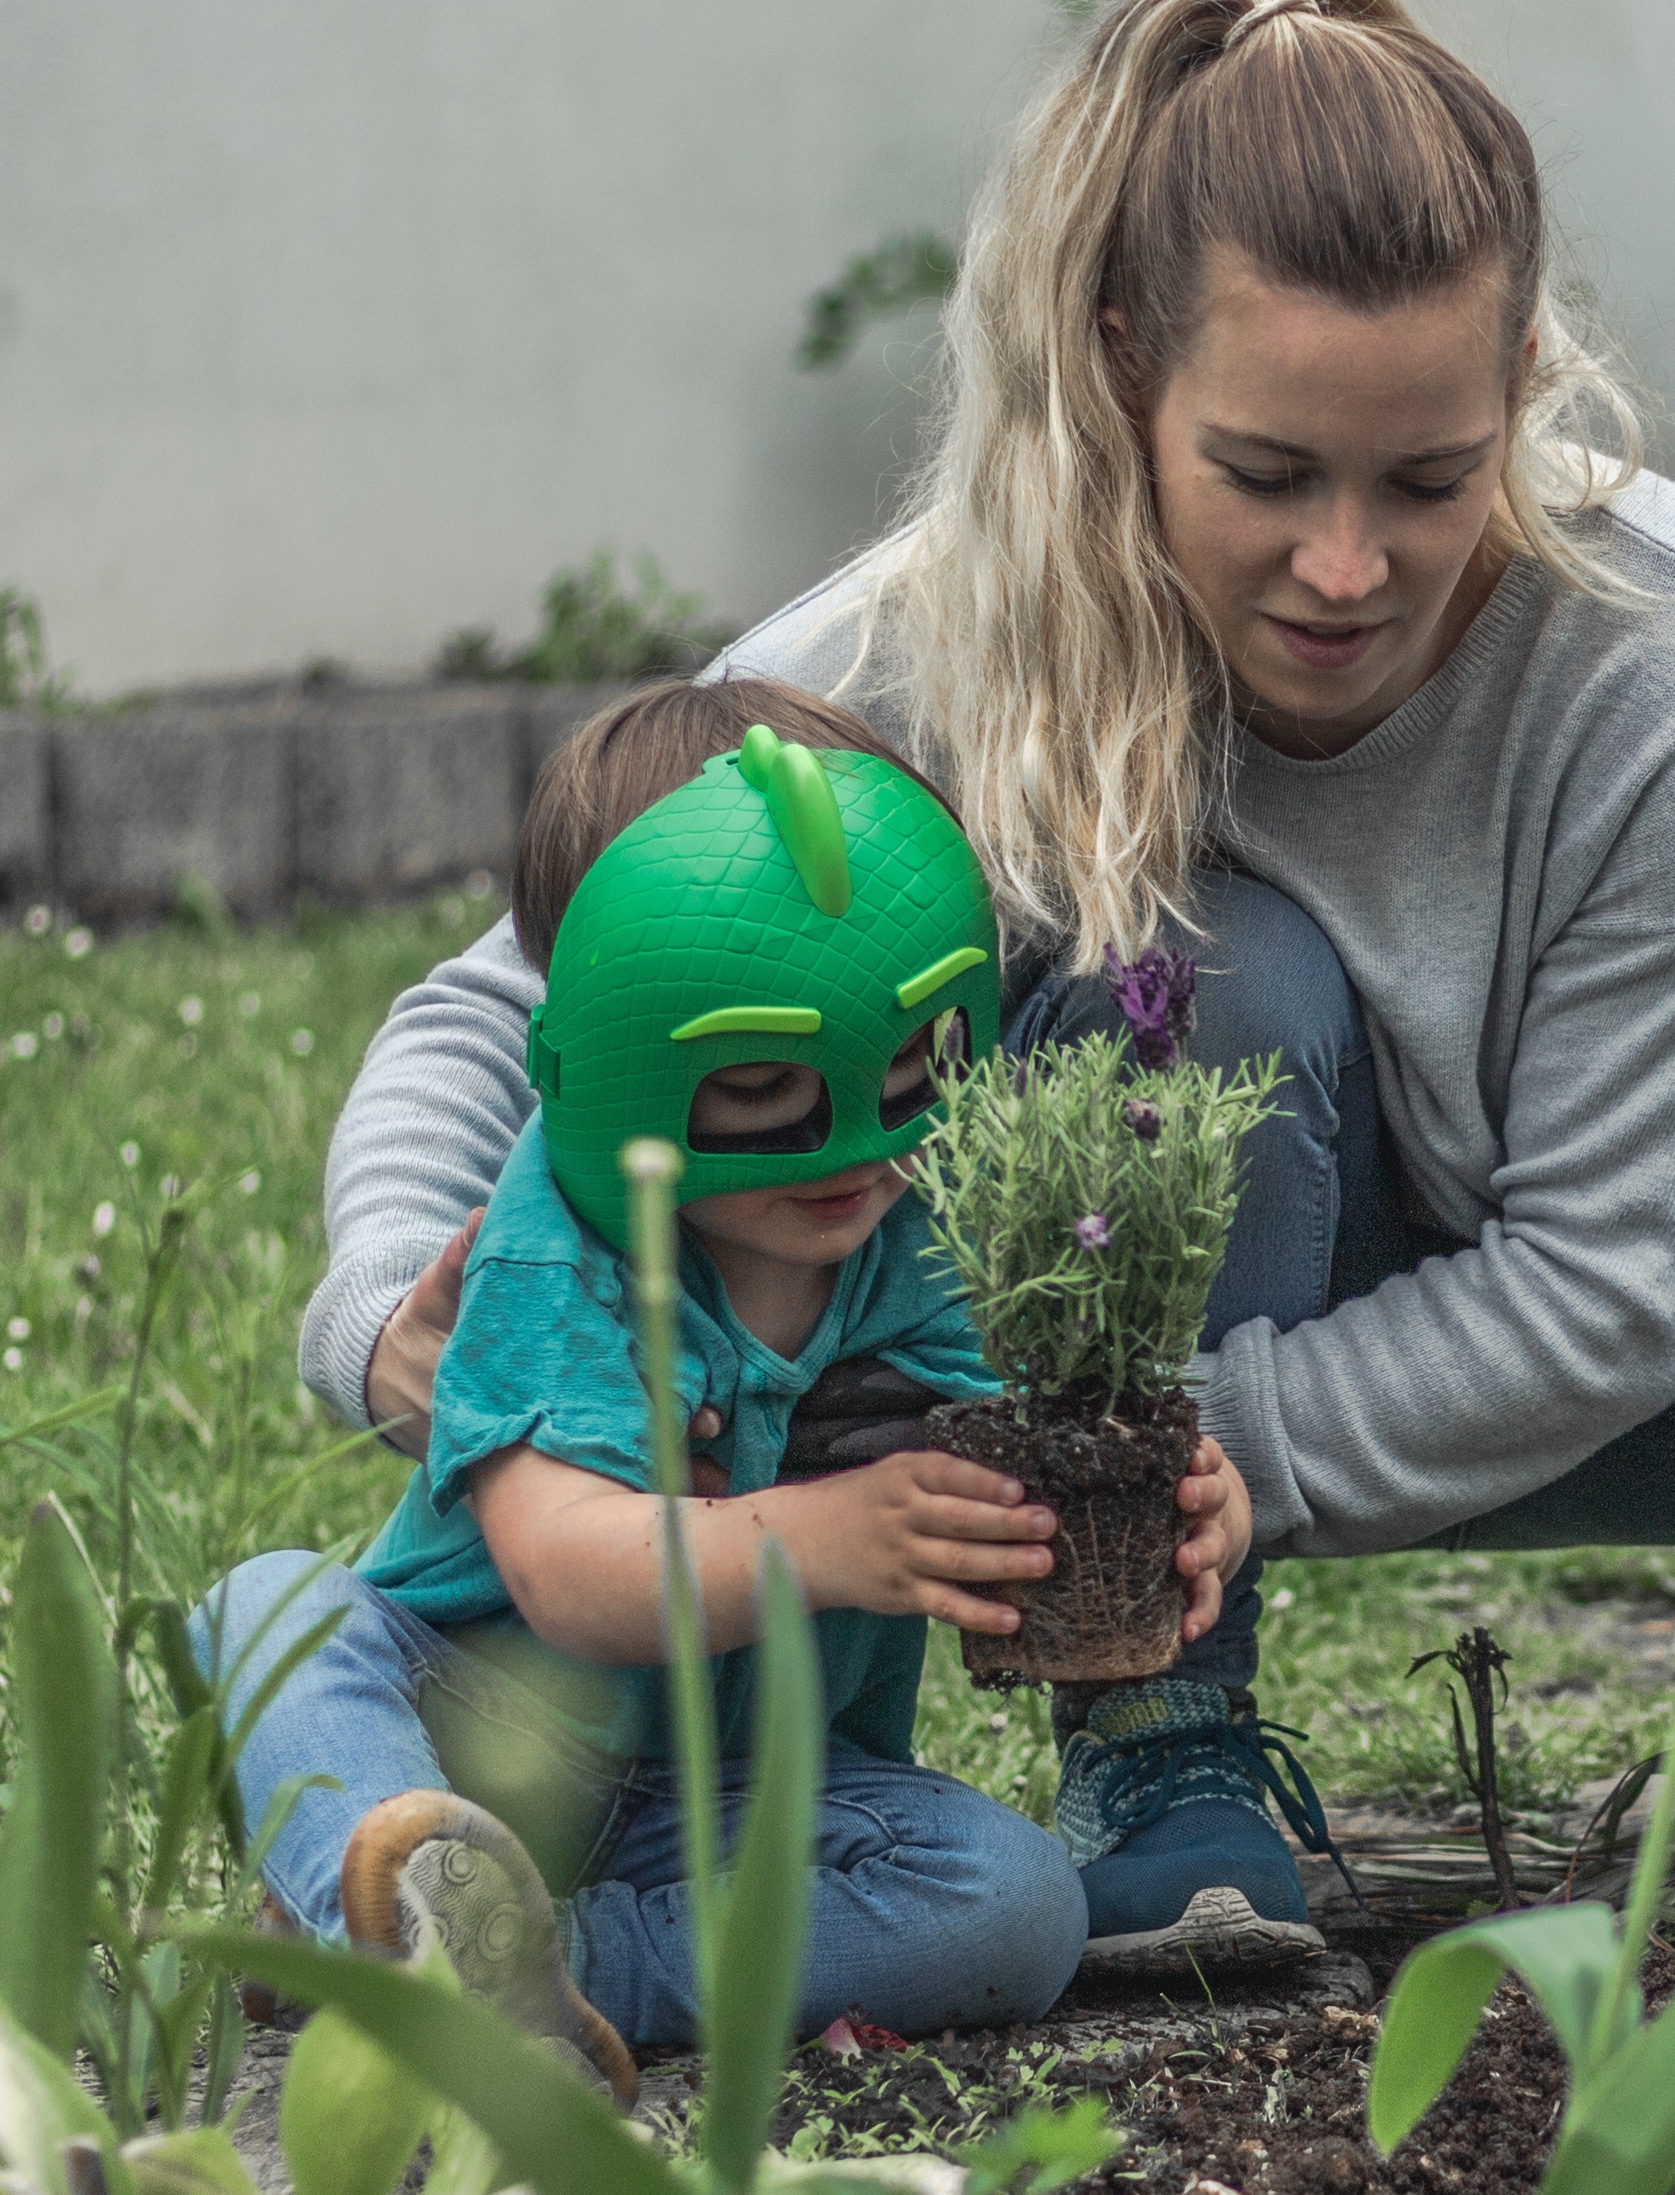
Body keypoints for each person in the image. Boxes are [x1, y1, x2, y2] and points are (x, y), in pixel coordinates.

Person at [300, 0, 1675, 1972]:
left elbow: (1617, 1277)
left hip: (1560, 1281)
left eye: (1429, 478)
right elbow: (512, 1002)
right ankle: (1163, 1725)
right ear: (1124, 372)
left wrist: (1226, 1453)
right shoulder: (942, 644)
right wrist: (379, 1293)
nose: (1345, 566)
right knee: (1222, 974)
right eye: (1266, 475)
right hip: (1115, 1289)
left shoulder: (1665, 667)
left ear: (1523, 380)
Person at [201, 683, 1222, 2057]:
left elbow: (1044, 1450)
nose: (857, 1143)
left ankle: (523, 1975)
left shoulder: (938, 1230)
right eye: (758, 1083)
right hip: (479, 1731)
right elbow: (565, 1571)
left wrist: (1174, 1513)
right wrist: (833, 1537)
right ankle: (375, 1884)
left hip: (744, 1793)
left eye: (915, 1062)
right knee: (271, 1613)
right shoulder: (559, 1241)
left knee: (1019, 1908)